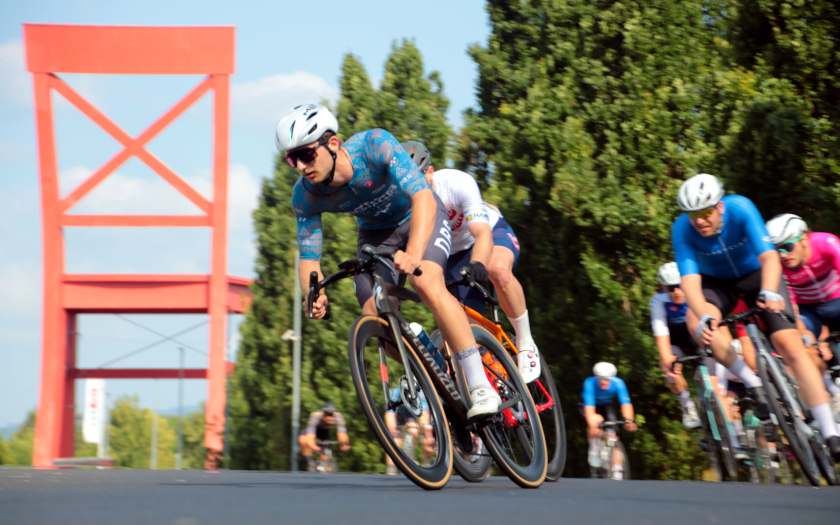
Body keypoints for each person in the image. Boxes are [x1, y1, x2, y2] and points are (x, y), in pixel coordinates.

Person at [276, 104, 500, 419]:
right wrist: (312, 293)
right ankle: (440, 382)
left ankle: (479, 386)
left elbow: (422, 196)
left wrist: (414, 252)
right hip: (376, 235)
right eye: (292, 159)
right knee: (376, 316)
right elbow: (309, 258)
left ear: (334, 144)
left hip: (420, 215)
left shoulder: (374, 145)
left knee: (426, 282)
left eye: (307, 155)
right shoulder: (305, 196)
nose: (300, 166)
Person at [671, 173, 840, 459]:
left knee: (791, 347)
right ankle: (753, 382)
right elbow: (689, 282)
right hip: (718, 283)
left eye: (704, 212)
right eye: (691, 215)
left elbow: (769, 257)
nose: (698, 221)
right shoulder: (682, 230)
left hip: (758, 275)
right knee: (696, 323)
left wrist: (770, 291)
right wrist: (703, 316)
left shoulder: (741, 208)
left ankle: (830, 431)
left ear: (720, 206)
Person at [401, 141, 541, 382]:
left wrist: (477, 262)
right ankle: (492, 381)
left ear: (431, 171)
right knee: (457, 332)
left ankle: (526, 342)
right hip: (449, 255)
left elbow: (482, 234)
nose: (415, 190)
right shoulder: (404, 207)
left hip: (488, 235)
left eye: (419, 181)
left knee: (498, 269)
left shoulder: (457, 183)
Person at [765, 214, 840, 415]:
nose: (782, 255)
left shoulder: (825, 242)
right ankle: (827, 395)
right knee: (800, 345)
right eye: (776, 250)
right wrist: (805, 337)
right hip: (809, 310)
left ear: (804, 239)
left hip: (837, 301)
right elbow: (792, 310)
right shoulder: (779, 266)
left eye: (787, 247)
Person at [650, 262, 703, 428]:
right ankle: (688, 406)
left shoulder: (697, 291)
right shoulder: (659, 301)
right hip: (673, 341)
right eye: (671, 288)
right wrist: (667, 359)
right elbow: (660, 331)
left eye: (680, 286)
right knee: (669, 370)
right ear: (664, 287)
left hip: (694, 335)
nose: (677, 292)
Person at [581, 362, 637, 480]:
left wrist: (629, 421)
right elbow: (590, 412)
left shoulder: (618, 383)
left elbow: (626, 404)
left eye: (606, 379)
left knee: (613, 436)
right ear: (596, 377)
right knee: (595, 421)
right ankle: (594, 450)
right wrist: (594, 427)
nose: (603, 382)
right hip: (588, 405)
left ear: (612, 378)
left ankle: (617, 471)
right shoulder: (589, 383)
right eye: (600, 379)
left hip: (605, 406)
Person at [384, 387, 434, 474]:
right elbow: (389, 414)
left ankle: (410, 455)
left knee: (414, 430)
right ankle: (391, 471)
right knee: (395, 441)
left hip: (409, 413)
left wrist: (427, 434)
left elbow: (425, 418)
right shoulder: (395, 392)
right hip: (396, 413)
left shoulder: (421, 394)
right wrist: (393, 430)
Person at [299, 402, 350, 471]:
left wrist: (343, 444)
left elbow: (342, 434)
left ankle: (322, 467)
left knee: (325, 454)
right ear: (323, 413)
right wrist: (313, 445)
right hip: (312, 430)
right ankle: (310, 462)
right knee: (303, 440)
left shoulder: (338, 417)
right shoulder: (315, 416)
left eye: (331, 415)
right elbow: (310, 436)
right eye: (327, 414)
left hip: (323, 431)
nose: (330, 417)